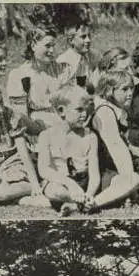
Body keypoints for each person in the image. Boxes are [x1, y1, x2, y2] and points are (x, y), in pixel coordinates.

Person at [90, 70, 139, 207]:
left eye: (132, 88)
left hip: (113, 162)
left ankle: (125, 191)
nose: (130, 93)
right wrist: (128, 176)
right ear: (109, 91)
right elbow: (115, 146)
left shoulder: (117, 108)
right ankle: (95, 203)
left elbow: (123, 142)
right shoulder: (105, 111)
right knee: (134, 180)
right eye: (125, 89)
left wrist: (136, 151)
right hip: (103, 166)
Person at [37, 85, 101, 215]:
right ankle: (80, 203)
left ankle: (79, 203)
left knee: (132, 180)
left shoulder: (90, 136)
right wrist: (70, 184)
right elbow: (44, 170)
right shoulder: (46, 135)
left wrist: (89, 193)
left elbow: (94, 174)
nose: (84, 114)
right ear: (62, 111)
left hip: (84, 182)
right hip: (61, 182)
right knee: (54, 191)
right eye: (79, 110)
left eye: (86, 109)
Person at [6, 27, 70, 135]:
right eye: (47, 46)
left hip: (66, 121)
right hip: (39, 129)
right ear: (33, 46)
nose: (52, 51)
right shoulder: (19, 75)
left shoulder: (60, 69)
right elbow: (21, 117)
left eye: (53, 46)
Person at [56, 19, 99, 88]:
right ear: (71, 41)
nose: (88, 40)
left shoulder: (94, 55)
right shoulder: (63, 62)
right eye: (83, 37)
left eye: (89, 36)